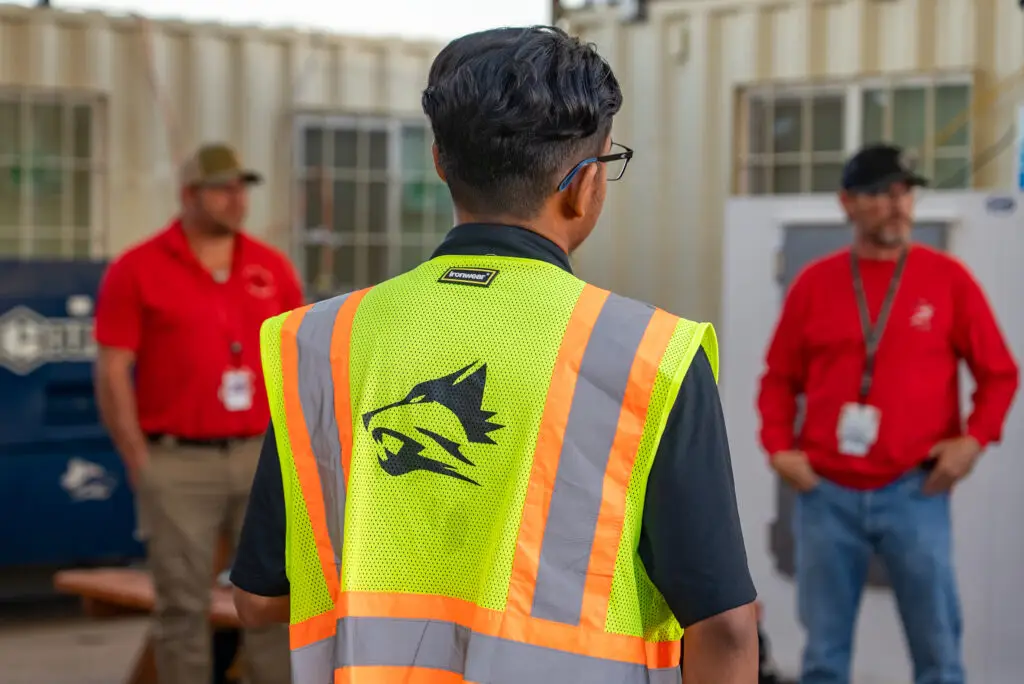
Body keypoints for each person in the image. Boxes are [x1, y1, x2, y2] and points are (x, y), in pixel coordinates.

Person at [230, 25, 759, 684]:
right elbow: (726, 627)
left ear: (441, 163)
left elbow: (257, 599)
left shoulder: (318, 340)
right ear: (583, 183)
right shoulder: (648, 353)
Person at [757, 143, 1019, 684]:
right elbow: (778, 379)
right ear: (847, 203)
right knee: (824, 659)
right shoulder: (814, 284)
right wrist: (778, 446)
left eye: (905, 192)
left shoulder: (948, 280)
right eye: (881, 193)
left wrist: (974, 441)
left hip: (915, 492)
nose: (898, 205)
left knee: (939, 655)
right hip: (825, 495)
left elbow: (1000, 373)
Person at [94, 143, 302, 684]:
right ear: (189, 194)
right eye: (223, 189)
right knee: (182, 609)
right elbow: (113, 368)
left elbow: (299, 356)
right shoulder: (136, 268)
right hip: (177, 461)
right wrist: (141, 462)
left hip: (259, 452)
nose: (237, 200)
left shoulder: (270, 267)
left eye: (242, 189)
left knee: (274, 603)